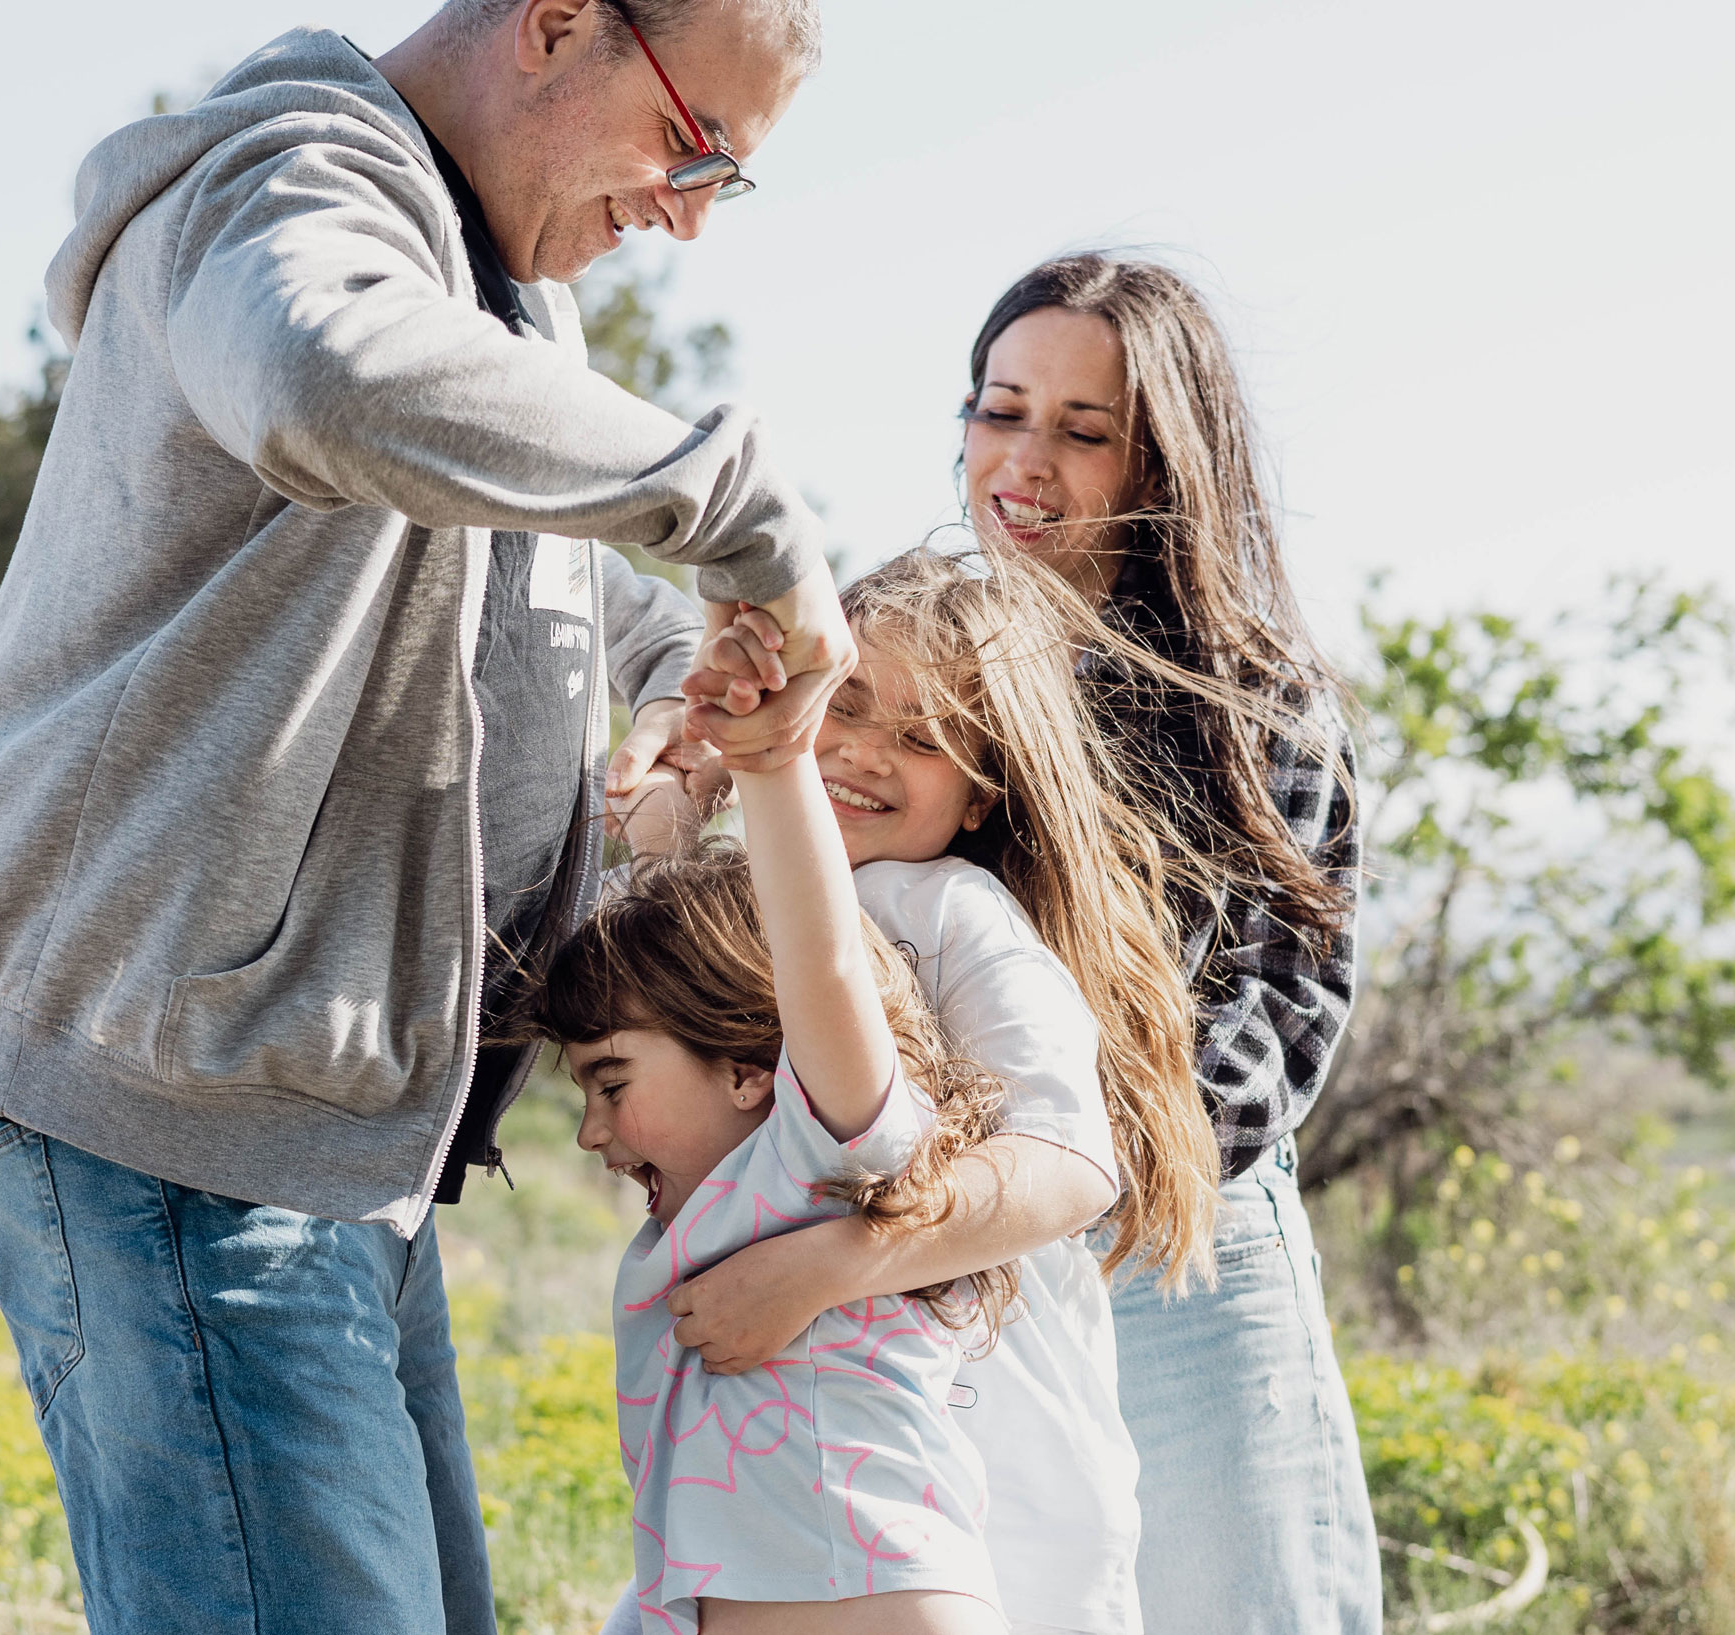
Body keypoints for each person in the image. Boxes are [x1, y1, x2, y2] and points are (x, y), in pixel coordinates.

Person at [0, 0, 849, 1631]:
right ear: (559, 19)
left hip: (323, 1128)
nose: (685, 219)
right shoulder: (292, 180)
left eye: (724, 181)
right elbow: (331, 377)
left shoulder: (506, 297)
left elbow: (549, 566)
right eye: (692, 148)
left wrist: (671, 674)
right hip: (183, 1110)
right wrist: (732, 502)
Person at [653, 550, 1224, 1635]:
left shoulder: (947, 909)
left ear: (980, 797)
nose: (861, 753)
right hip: (812, 1460)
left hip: (993, 1457)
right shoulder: (747, 896)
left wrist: (822, 1268)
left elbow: (1066, 1166)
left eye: (922, 739)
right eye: (844, 703)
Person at [958, 252, 1380, 1634]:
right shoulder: (914, 674)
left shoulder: (1252, 700)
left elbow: (1285, 1013)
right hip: (954, 1265)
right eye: (1000, 409)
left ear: (1164, 464)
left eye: (1083, 432)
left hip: (1181, 1249)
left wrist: (1072, 1170)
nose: (1025, 461)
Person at [524, 757, 1017, 1634]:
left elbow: (823, 964)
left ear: (750, 1069)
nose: (590, 1131)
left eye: (612, 1080)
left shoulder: (818, 1154)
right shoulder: (697, 1221)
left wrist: (776, 757)